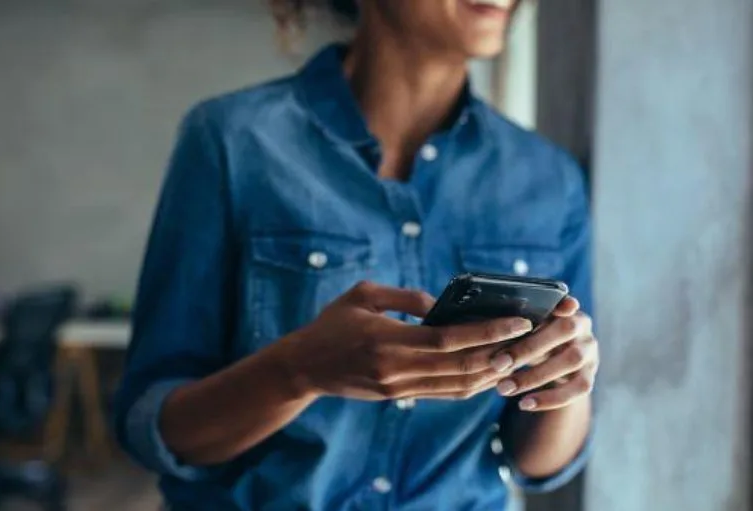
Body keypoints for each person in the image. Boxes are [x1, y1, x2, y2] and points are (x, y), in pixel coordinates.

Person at [115, 0, 599, 509]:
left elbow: (538, 464)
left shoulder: (549, 179)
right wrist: (297, 370)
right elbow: (158, 429)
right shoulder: (231, 141)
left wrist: (567, 383)